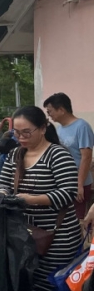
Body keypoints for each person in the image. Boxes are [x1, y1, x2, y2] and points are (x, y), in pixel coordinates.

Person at [0, 106, 82, 291]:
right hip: (26, 234)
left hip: (57, 235)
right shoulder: (15, 155)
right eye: (17, 133)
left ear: (43, 128)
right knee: (26, 283)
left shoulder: (58, 155)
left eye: (27, 132)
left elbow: (68, 193)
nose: (21, 137)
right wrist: (3, 195)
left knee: (48, 287)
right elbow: (2, 181)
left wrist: (30, 199)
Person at [43, 92, 94, 220]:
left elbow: (86, 157)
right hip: (64, 182)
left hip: (78, 183)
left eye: (50, 111)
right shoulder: (59, 129)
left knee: (77, 219)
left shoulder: (81, 126)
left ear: (61, 110)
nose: (49, 115)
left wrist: (79, 184)